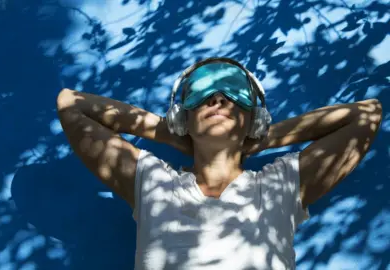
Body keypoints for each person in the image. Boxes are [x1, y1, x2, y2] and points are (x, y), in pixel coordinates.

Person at [56, 57, 382, 270]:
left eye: (233, 92)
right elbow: (71, 105)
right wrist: (171, 134)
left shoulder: (281, 185)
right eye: (203, 92)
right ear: (182, 115)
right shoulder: (151, 182)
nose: (218, 98)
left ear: (254, 118)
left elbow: (366, 115)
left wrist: (263, 137)